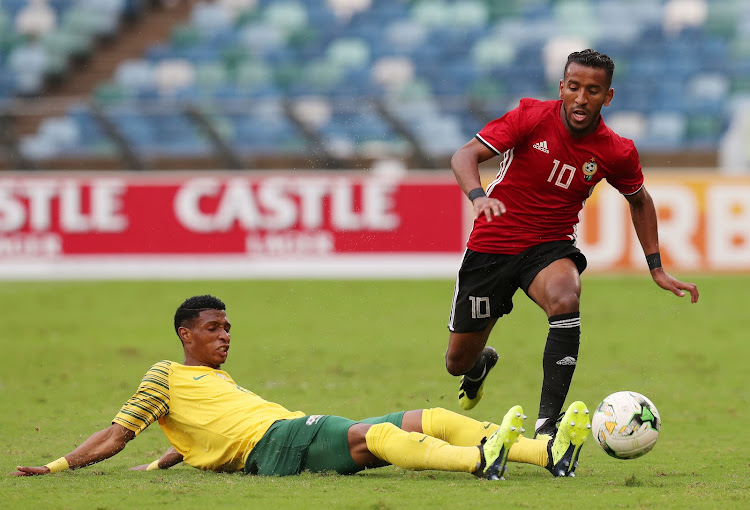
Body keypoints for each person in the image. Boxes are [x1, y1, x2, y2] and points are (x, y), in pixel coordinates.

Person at [11, 295, 591, 480]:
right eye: (214, 329)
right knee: (380, 433)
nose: (225, 337)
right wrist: (57, 467)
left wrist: (166, 463)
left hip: (286, 433)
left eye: (229, 328)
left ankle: (547, 452)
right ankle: (479, 462)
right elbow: (118, 433)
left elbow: (193, 434)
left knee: (425, 417)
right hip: (273, 445)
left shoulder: (210, 382)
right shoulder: (163, 375)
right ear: (184, 334)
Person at [447, 49, 699, 440]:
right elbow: (466, 155)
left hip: (549, 245)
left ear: (608, 97)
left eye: (593, 90)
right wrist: (478, 196)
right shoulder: (530, 117)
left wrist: (656, 267)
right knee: (456, 361)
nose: (582, 98)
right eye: (575, 88)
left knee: (566, 297)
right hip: (493, 243)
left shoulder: (616, 150)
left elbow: (639, 200)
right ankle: (478, 367)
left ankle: (548, 425)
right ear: (562, 87)